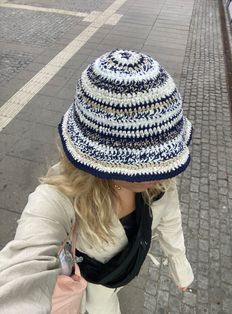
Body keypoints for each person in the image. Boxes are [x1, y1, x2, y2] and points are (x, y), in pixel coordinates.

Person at [0, 49, 194, 314]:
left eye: (163, 160)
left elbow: (170, 217)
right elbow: (23, 266)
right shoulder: (62, 194)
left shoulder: (159, 182)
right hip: (90, 286)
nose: (160, 175)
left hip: (124, 274)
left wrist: (179, 265)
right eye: (145, 166)